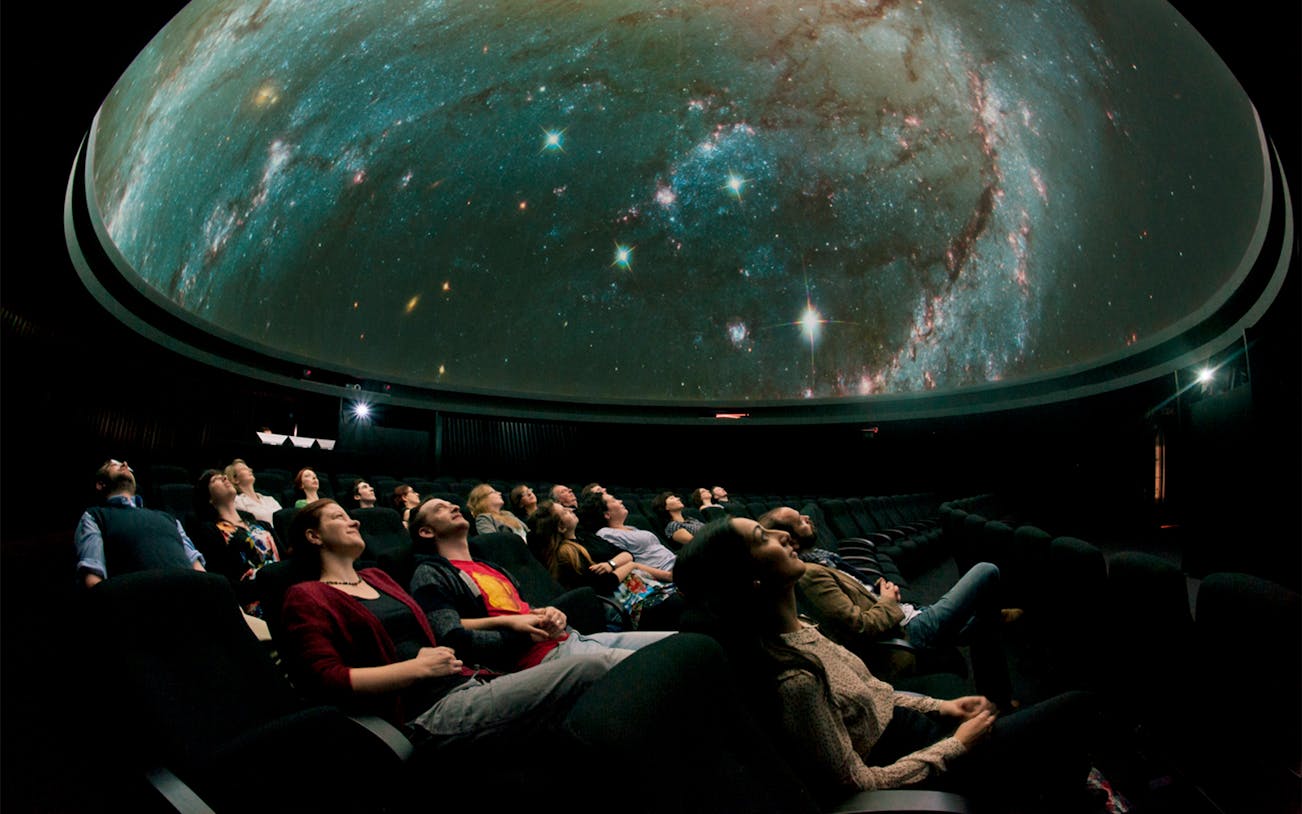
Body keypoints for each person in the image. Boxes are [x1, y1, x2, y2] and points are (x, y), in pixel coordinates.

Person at [673, 517, 1101, 807]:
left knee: (1059, 722)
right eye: (761, 538)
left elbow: (876, 693)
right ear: (749, 578)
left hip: (920, 730)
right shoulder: (794, 680)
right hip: (920, 762)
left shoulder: (803, 630)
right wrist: (958, 744)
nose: (783, 535)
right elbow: (859, 786)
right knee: (1080, 708)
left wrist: (941, 707)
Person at [278, 499, 628, 748]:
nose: (354, 521)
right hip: (425, 714)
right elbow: (324, 680)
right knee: (590, 669)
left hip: (469, 682)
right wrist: (413, 669)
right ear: (314, 536)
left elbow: (442, 627)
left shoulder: (377, 578)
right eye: (339, 517)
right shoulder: (307, 596)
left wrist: (521, 620)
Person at [759, 507, 1019, 706]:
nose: (807, 517)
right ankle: (992, 630)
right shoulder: (809, 575)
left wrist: (880, 595)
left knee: (984, 623)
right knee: (987, 571)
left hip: (905, 614)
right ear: (789, 539)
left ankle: (997, 695)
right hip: (906, 631)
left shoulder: (822, 559)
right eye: (799, 521)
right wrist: (886, 600)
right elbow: (859, 627)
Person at [405, 497, 672, 674]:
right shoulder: (430, 572)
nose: (453, 506)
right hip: (536, 660)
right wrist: (517, 630)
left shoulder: (492, 567)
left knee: (677, 643)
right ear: (426, 532)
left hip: (571, 639)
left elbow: (521, 610)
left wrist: (548, 614)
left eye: (451, 504)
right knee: (658, 667)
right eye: (439, 508)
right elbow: (449, 632)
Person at [529, 498, 679, 629]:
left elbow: (628, 555)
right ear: (561, 527)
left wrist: (612, 564)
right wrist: (630, 566)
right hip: (630, 605)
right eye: (564, 512)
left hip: (645, 590)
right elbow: (606, 583)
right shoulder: (567, 553)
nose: (570, 509)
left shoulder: (586, 536)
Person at [74, 459, 206, 588]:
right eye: (114, 465)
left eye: (125, 464)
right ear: (100, 484)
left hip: (189, 594)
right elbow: (94, 583)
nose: (125, 464)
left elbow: (200, 572)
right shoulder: (94, 516)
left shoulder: (168, 518)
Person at [193, 469, 280, 616]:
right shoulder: (211, 530)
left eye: (224, 476)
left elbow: (283, 556)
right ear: (209, 499)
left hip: (282, 589)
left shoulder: (259, 523)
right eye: (216, 480)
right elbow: (222, 577)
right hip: (254, 600)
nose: (225, 478)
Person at [576, 490, 677, 572]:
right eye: (614, 500)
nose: (620, 501)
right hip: (667, 570)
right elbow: (628, 565)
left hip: (675, 562)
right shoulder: (605, 534)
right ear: (607, 514)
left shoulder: (631, 527)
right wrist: (667, 576)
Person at [225, 458, 282, 525]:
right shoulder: (238, 501)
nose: (250, 470)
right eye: (244, 469)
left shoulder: (269, 499)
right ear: (235, 479)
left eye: (248, 468)